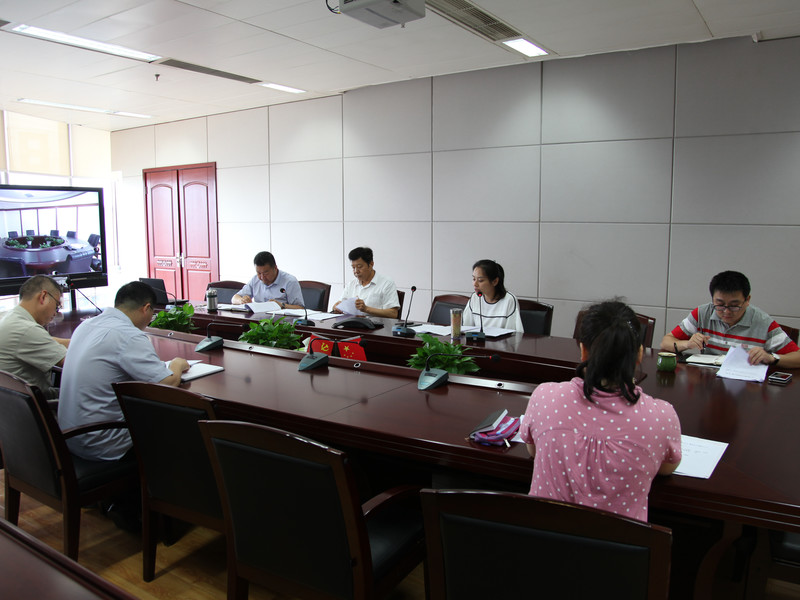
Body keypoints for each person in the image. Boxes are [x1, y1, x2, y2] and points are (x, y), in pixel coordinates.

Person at [519, 300, 682, 521]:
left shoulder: (545, 396)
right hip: (619, 542)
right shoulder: (661, 416)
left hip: (544, 535)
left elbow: (533, 450)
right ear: (639, 354)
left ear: (583, 351)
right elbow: (666, 468)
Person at [58, 281, 189, 461]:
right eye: (152, 314)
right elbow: (167, 384)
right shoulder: (129, 335)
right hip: (103, 442)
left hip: (70, 437)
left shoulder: (85, 326)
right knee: (180, 422)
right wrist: (177, 364)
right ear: (146, 308)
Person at [661, 270, 800, 368]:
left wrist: (771, 358)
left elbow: (797, 357)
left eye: (734, 306)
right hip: (709, 383)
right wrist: (687, 344)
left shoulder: (763, 322)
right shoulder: (702, 313)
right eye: (720, 304)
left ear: (747, 300)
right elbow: (666, 342)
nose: (726, 311)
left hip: (747, 387)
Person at [0, 275, 69, 399]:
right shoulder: (27, 330)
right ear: (43, 297)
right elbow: (73, 362)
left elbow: (49, 341)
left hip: (12, 403)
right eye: (57, 305)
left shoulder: (8, 317)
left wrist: (77, 341)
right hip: (39, 404)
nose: (56, 312)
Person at [332, 246, 400, 318]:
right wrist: (336, 307)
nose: (356, 271)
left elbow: (393, 314)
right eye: (353, 267)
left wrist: (366, 309)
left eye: (359, 267)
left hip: (375, 324)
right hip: (352, 323)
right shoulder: (351, 284)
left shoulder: (386, 283)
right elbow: (339, 304)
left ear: (371, 264)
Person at [462, 259, 523, 332]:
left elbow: (513, 333)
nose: (475, 284)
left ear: (495, 281)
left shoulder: (509, 300)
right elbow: (466, 328)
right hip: (477, 339)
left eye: (480, 280)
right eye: (474, 279)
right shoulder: (475, 297)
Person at [232, 251, 304, 309]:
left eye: (266, 273)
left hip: (281, 320)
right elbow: (234, 298)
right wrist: (242, 300)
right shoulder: (255, 280)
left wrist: (281, 305)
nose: (262, 277)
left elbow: (300, 308)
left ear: (275, 268)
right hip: (259, 319)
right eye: (259, 273)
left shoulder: (290, 281)